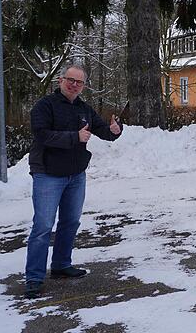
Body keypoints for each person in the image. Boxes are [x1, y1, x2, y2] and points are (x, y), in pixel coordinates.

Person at [25, 65, 123, 298]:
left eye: (79, 82)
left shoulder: (84, 108)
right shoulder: (44, 106)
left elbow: (103, 131)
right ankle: (34, 278)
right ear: (61, 80)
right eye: (71, 80)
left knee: (70, 223)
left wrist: (115, 130)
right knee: (43, 227)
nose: (74, 85)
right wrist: (74, 137)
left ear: (84, 86)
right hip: (47, 173)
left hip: (75, 174)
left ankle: (60, 265)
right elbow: (41, 134)